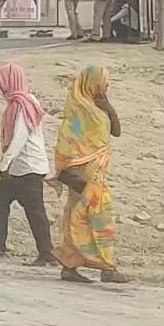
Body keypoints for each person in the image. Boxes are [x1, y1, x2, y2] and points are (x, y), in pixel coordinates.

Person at [51, 66, 131, 284]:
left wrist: (110, 109)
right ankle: (107, 268)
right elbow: (67, 147)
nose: (107, 85)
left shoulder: (100, 107)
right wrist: (77, 176)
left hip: (98, 176)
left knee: (86, 222)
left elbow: (116, 132)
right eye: (104, 81)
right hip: (84, 181)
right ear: (92, 83)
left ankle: (71, 266)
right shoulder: (77, 111)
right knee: (93, 222)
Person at [0, 63, 54, 266]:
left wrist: (5, 164)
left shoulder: (20, 105)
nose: (0, 86)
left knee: (33, 210)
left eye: (1, 81)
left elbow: (19, 137)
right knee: (2, 201)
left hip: (26, 168)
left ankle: (46, 252)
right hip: (23, 167)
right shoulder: (24, 101)